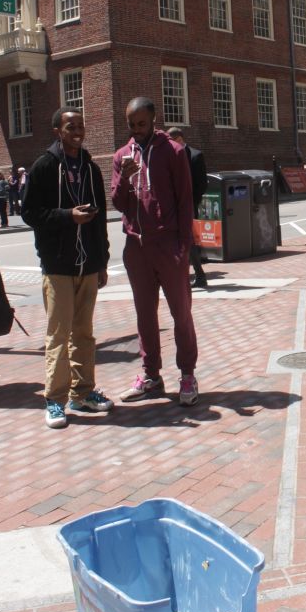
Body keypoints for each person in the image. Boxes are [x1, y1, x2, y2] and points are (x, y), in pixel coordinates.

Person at [21, 108, 112, 429]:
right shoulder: (44, 166)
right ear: (57, 130)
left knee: (84, 335)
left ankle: (83, 393)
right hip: (58, 267)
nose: (78, 130)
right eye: (70, 126)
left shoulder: (90, 167)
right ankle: (54, 400)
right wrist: (66, 216)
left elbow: (100, 218)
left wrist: (102, 261)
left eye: (81, 125)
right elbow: (29, 212)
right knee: (58, 337)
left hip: (88, 264)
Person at [112, 97, 199, 405]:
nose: (136, 131)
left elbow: (186, 200)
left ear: (152, 120)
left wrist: (184, 245)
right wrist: (124, 177)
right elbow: (119, 203)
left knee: (181, 313)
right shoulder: (122, 155)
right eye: (131, 125)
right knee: (145, 316)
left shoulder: (173, 152)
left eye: (142, 124)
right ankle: (151, 376)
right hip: (137, 248)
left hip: (169, 245)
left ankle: (187, 374)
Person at [167, 127, 208, 289]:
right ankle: (193, 275)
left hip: (188, 205)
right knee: (178, 240)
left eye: (171, 141)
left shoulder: (195, 156)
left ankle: (198, 275)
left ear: (179, 139)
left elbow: (201, 184)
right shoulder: (169, 156)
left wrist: (191, 202)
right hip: (172, 206)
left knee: (188, 240)